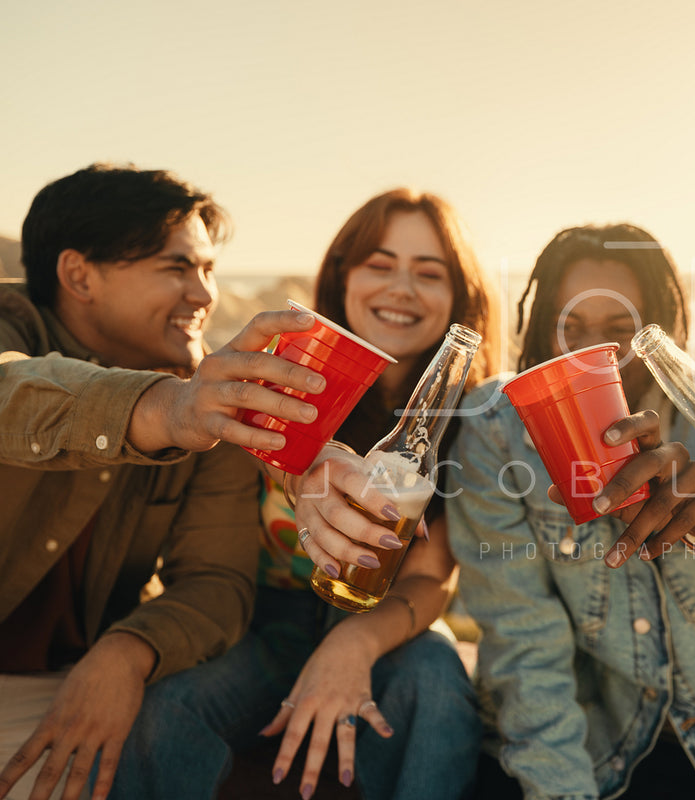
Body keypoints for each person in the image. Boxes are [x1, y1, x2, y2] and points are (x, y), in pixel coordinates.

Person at [112, 188, 494, 800]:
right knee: (170, 709)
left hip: (384, 624)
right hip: (262, 623)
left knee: (437, 683)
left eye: (429, 273)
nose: (402, 287)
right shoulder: (284, 376)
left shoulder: (468, 415)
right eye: (379, 263)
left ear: (458, 297)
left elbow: (430, 577)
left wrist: (351, 642)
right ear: (342, 273)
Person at [0, 163, 325, 800]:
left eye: (207, 270)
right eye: (177, 268)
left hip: (56, 682)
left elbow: (217, 580)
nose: (204, 295)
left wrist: (130, 650)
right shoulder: (16, 327)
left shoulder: (206, 396)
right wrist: (162, 409)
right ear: (78, 275)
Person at [444, 224, 695, 800]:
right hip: (564, 748)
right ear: (542, 330)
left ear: (656, 336)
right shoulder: (494, 430)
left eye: (621, 332)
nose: (597, 355)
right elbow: (524, 647)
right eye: (572, 329)